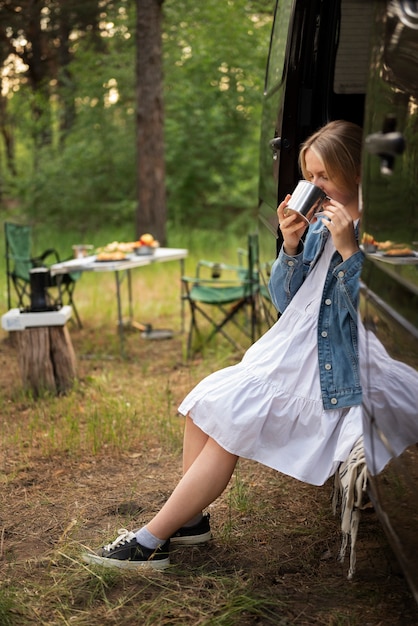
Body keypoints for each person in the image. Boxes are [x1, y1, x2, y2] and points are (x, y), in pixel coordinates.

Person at [82, 120, 418, 571]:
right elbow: (284, 299)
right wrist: (293, 244)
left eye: (323, 176)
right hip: (292, 345)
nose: (313, 187)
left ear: (356, 172)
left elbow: (374, 311)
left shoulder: (382, 231)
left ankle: (149, 541)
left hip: (336, 357)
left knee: (231, 422)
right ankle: (191, 522)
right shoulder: (317, 225)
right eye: (309, 176)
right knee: (204, 405)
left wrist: (349, 249)